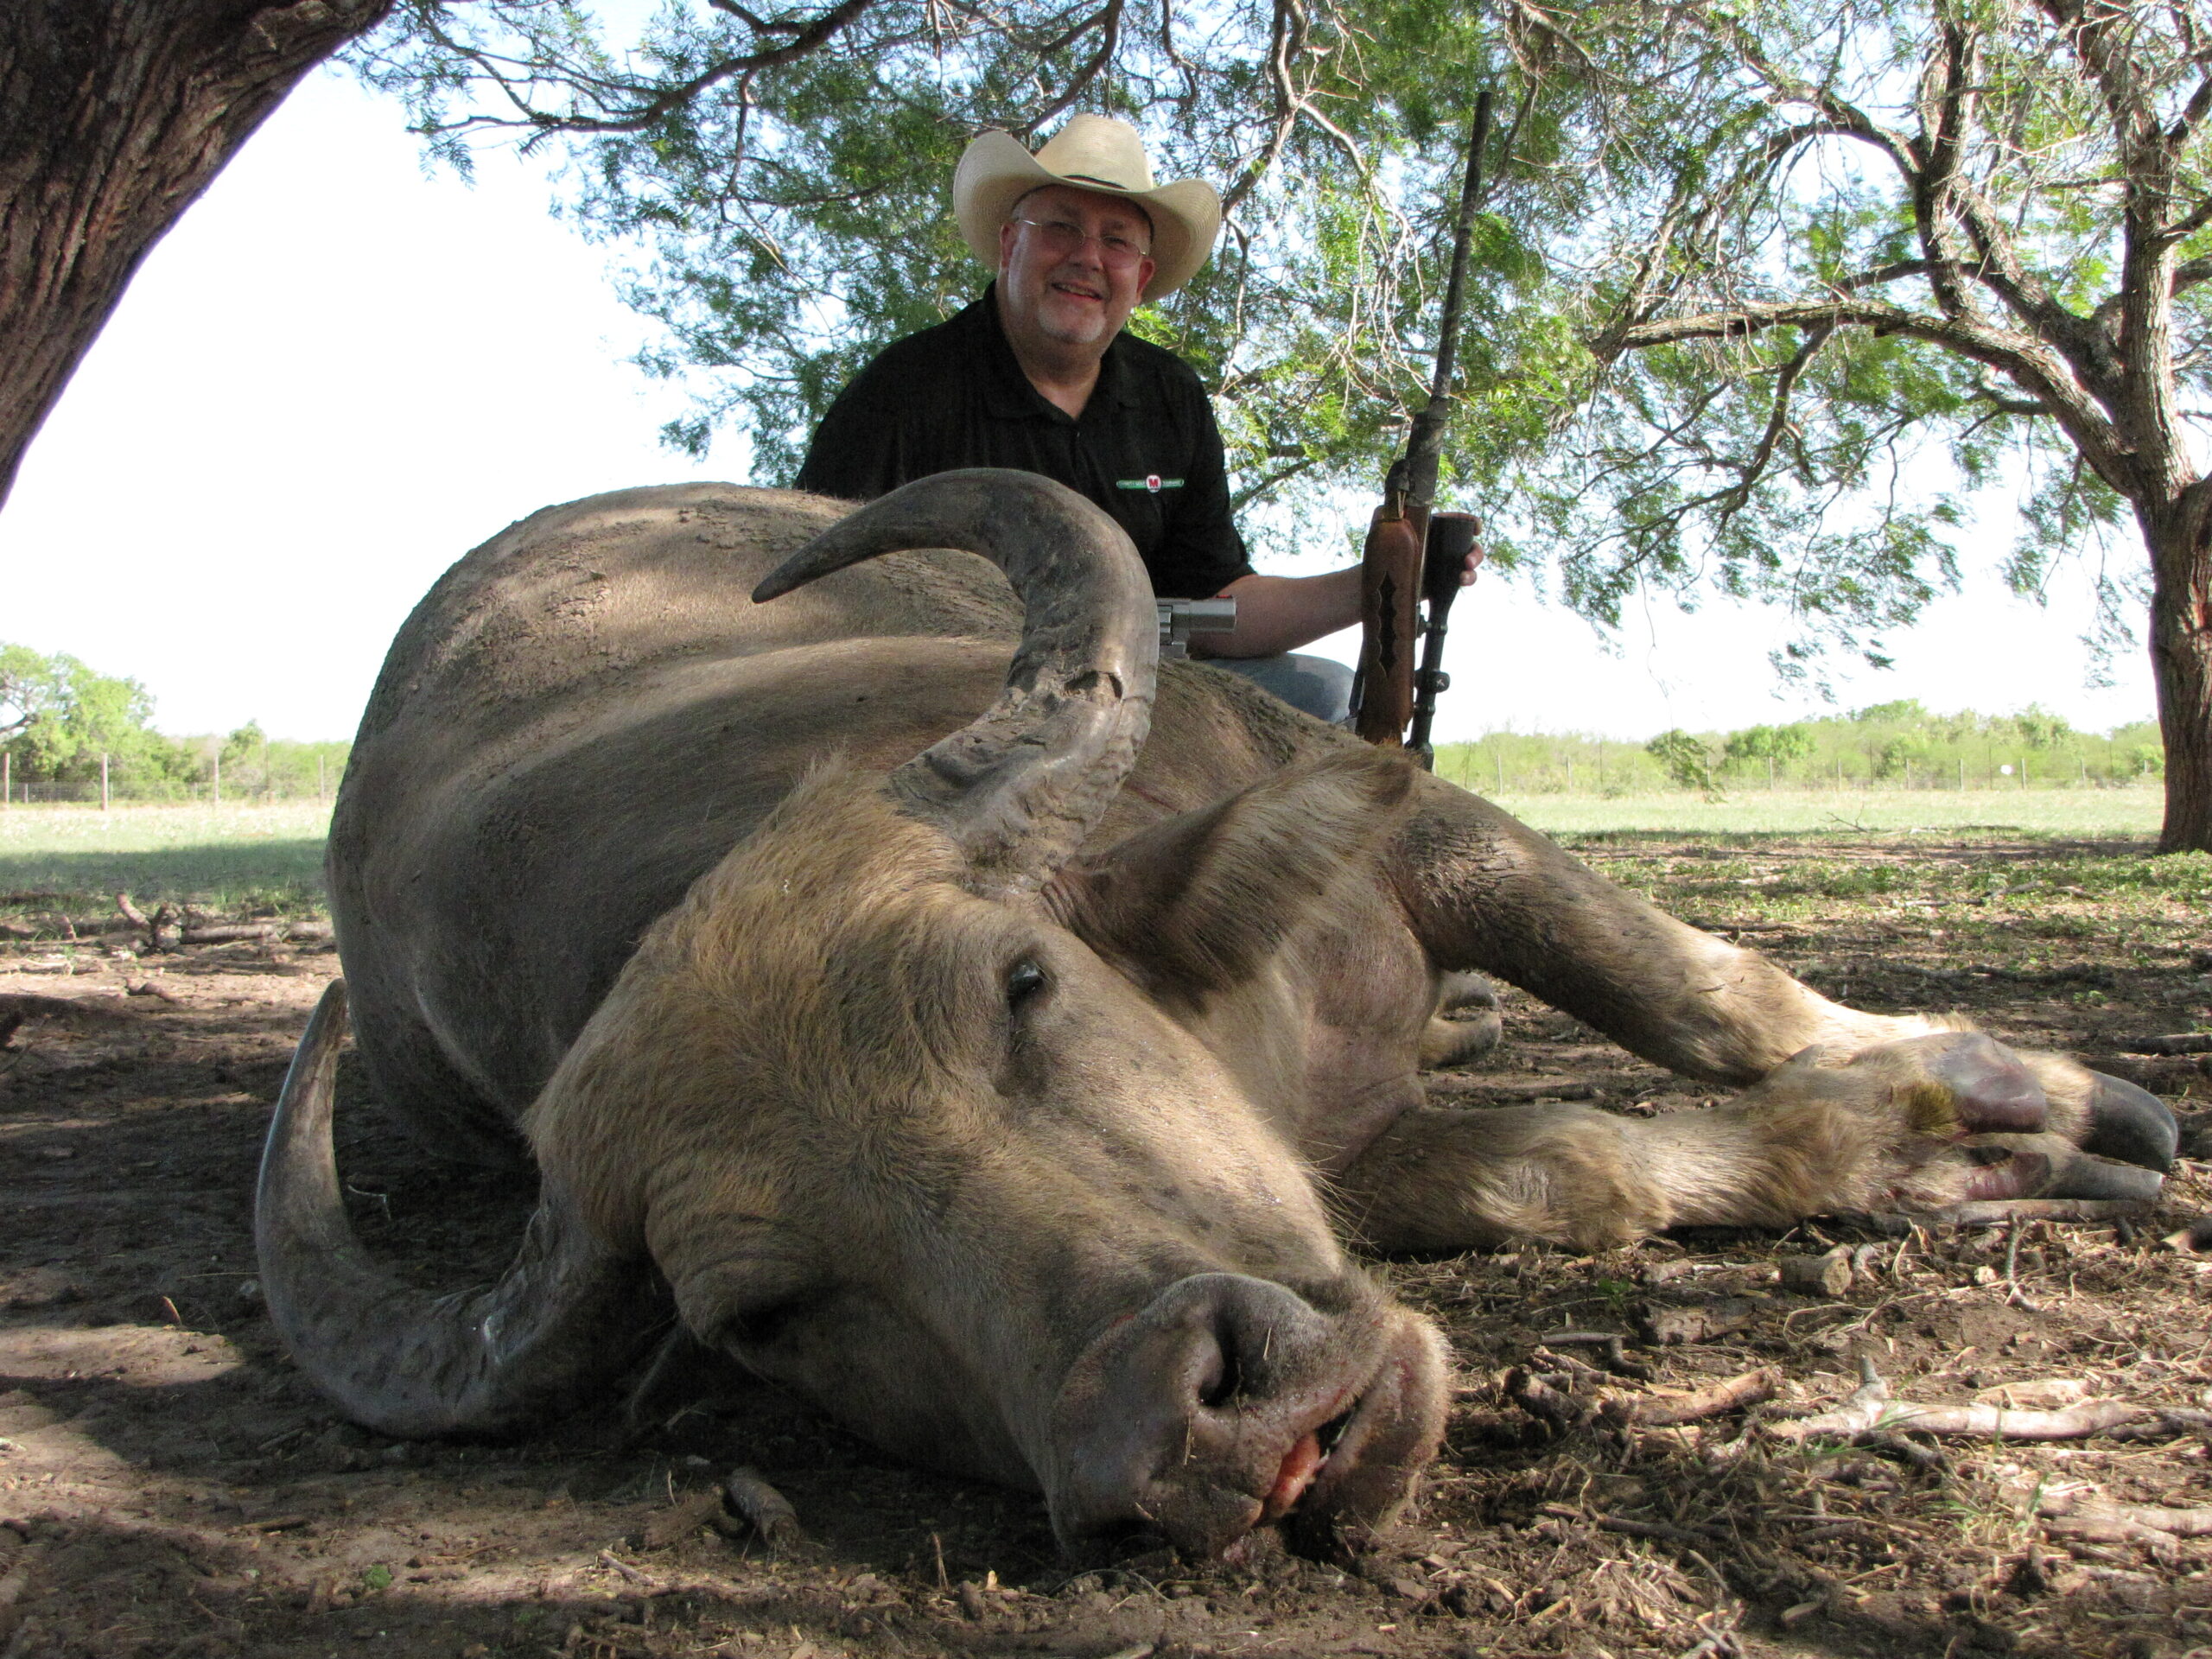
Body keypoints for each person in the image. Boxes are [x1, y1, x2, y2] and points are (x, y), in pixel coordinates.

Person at [796, 113, 1471, 724]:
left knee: (1323, 697)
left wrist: (1381, 583)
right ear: (1009, 246)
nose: (1087, 257)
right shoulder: (902, 391)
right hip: (949, 688)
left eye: (1116, 241)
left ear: (1141, 278)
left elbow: (1209, 614)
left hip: (1144, 682)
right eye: (1061, 226)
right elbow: (818, 591)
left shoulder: (1170, 396)